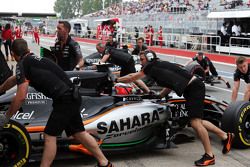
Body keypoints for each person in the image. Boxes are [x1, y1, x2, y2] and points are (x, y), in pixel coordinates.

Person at [0, 39, 113, 167]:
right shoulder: (35, 59)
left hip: (64, 100)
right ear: (27, 49)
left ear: (14, 54)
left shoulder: (23, 64)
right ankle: (105, 163)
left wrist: (6, 117)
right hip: (72, 96)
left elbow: (21, 96)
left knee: (49, 135)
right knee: (79, 133)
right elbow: (13, 80)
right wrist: (0, 89)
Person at [116, 50, 234, 166]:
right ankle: (225, 135)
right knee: (198, 121)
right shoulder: (160, 65)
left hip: (194, 88)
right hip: (192, 88)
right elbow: (171, 83)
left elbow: (132, 77)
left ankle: (210, 156)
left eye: (142, 60)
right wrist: (160, 96)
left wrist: (116, 80)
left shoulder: (150, 67)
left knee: (195, 123)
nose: (141, 62)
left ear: (150, 58)